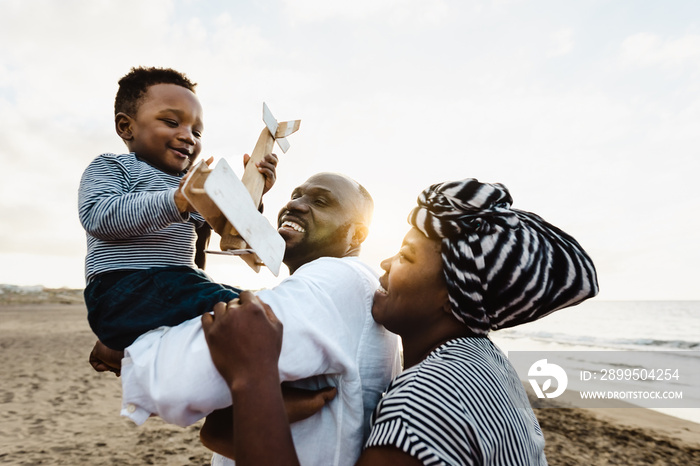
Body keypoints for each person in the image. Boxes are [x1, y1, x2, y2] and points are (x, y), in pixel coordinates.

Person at [201, 178, 600, 465]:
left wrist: (252, 379)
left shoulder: (426, 401)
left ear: (454, 295)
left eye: (406, 256)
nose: (385, 265)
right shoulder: (486, 362)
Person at [93, 172, 402, 466]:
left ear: (357, 234)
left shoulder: (338, 278)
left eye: (320, 202)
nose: (294, 204)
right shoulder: (339, 289)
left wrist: (121, 351)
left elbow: (180, 381)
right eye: (295, 195)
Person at [78, 66, 278, 350]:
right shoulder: (113, 166)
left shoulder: (189, 185)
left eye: (196, 131)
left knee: (264, 307)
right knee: (245, 312)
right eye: (172, 122)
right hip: (123, 291)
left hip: (179, 284)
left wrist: (253, 195)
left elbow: (231, 230)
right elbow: (99, 216)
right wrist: (177, 201)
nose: (188, 137)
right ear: (126, 126)